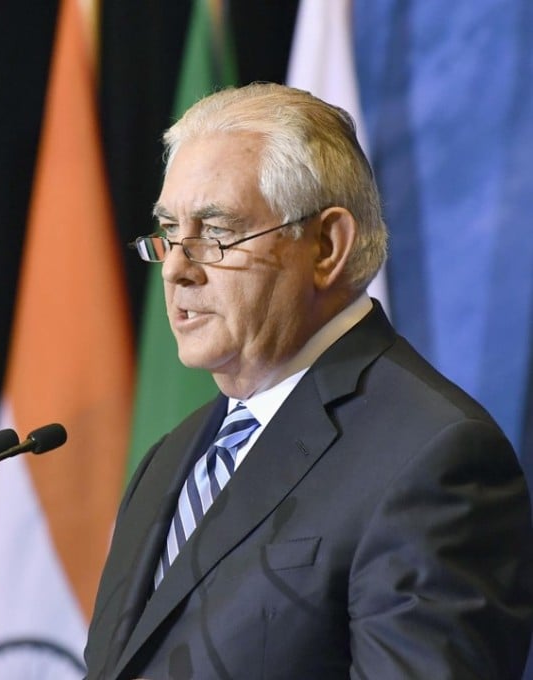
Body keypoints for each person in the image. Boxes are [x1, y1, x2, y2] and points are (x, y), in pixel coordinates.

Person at [84, 83, 533, 679]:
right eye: (168, 231)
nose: (176, 269)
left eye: (215, 232)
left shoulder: (432, 458)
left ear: (326, 245)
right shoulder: (170, 460)